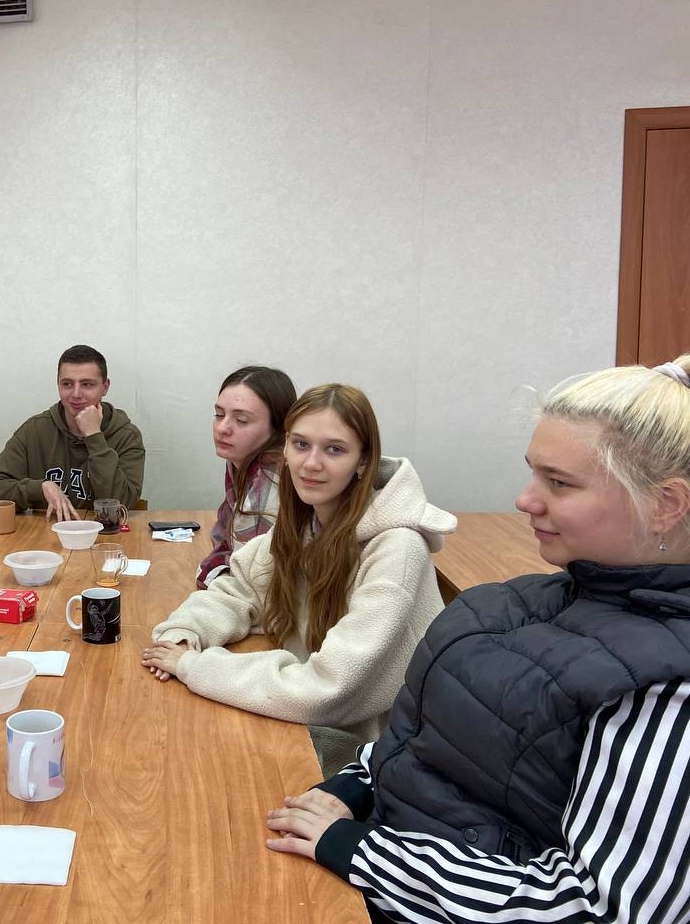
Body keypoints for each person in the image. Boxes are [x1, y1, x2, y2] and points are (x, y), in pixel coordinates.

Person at [265, 357, 690, 924]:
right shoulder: (524, 600)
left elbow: (598, 909)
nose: (525, 500)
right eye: (533, 474)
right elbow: (425, 738)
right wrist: (355, 785)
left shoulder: (666, 689)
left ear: (665, 506)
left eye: (559, 483)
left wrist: (361, 852)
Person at [142, 383, 454, 773]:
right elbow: (237, 589)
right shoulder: (307, 524)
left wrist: (194, 667)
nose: (311, 463)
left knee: (197, 765)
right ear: (285, 449)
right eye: (301, 444)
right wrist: (187, 633)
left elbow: (329, 689)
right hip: (308, 723)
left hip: (375, 758)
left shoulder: (398, 549)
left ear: (363, 461)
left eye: (334, 449)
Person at [0, 344, 145, 522]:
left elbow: (121, 503)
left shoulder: (126, 435)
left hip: (105, 534)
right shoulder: (34, 430)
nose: (76, 394)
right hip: (45, 533)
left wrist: (94, 437)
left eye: (87, 384)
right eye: (67, 384)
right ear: (58, 385)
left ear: (105, 387)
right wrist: (40, 488)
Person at [196, 365, 297, 588]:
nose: (222, 428)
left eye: (241, 420)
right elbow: (226, 544)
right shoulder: (240, 461)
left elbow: (248, 585)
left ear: (279, 430)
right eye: (219, 414)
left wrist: (210, 574)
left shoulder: (270, 482)